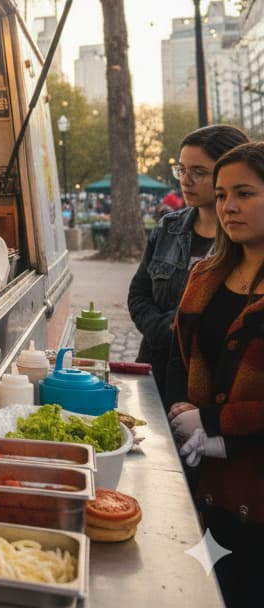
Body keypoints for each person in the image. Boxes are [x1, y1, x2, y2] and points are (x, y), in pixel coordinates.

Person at [166, 141, 264, 608]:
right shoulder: (207, 273)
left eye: (244, 193)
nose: (228, 206)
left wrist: (216, 425)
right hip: (212, 492)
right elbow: (191, 359)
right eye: (223, 194)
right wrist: (189, 409)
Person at [128, 124, 249, 397]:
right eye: (182, 170)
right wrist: (166, 331)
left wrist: (183, 331)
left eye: (198, 172)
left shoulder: (246, 239)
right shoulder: (168, 227)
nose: (186, 180)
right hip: (154, 372)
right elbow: (138, 294)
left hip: (208, 389)